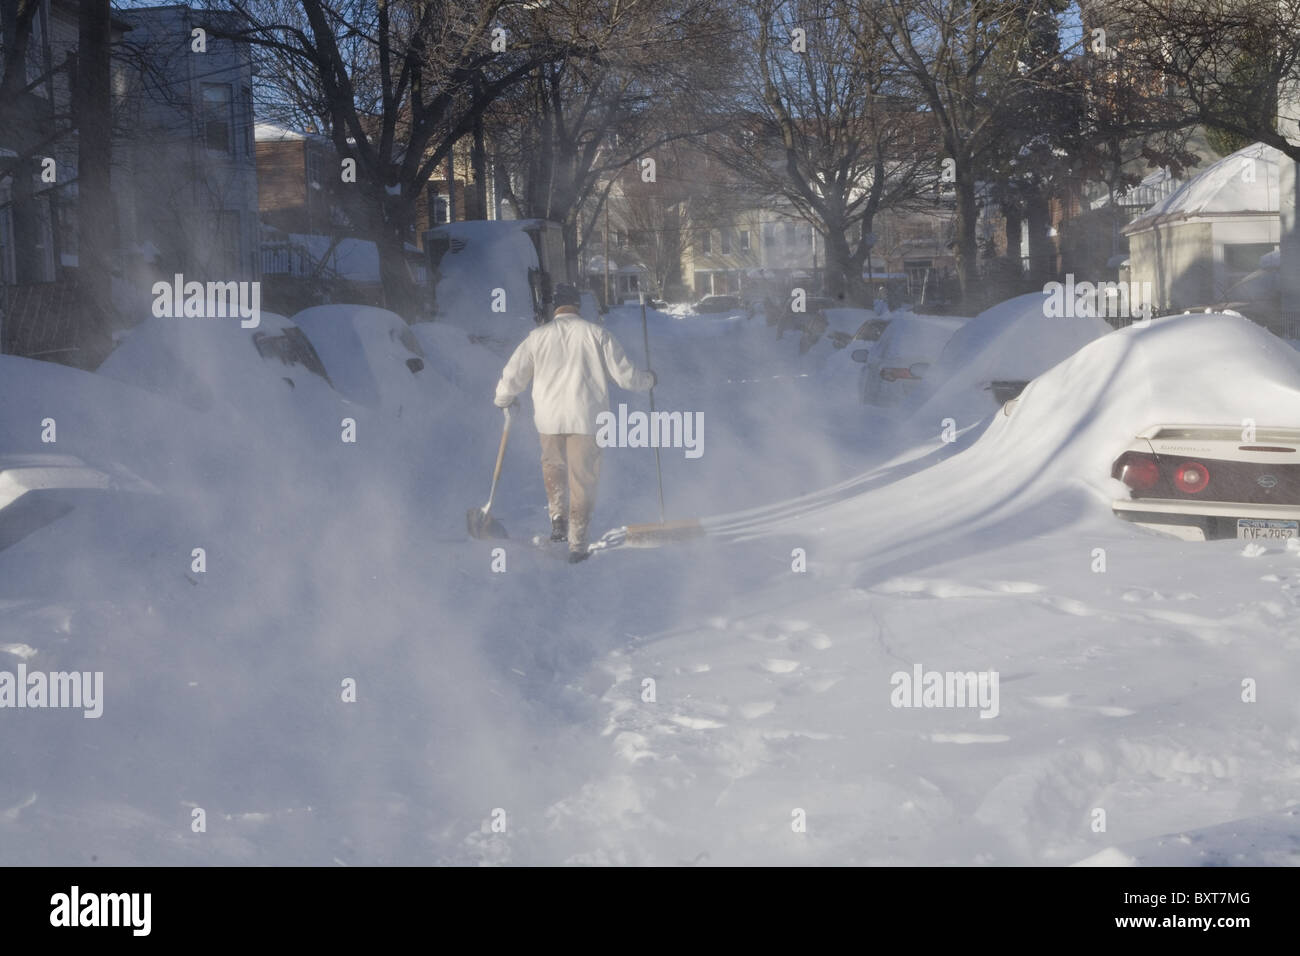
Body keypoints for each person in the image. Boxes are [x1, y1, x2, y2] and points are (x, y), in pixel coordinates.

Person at [494, 283, 656, 563]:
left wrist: (503, 399)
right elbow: (625, 376)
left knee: (553, 466)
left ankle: (558, 516)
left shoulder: (537, 337)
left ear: (555, 307)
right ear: (577, 306)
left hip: (548, 419)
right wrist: (649, 380)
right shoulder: (597, 335)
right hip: (587, 419)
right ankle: (577, 545)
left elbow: (513, 374)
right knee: (583, 479)